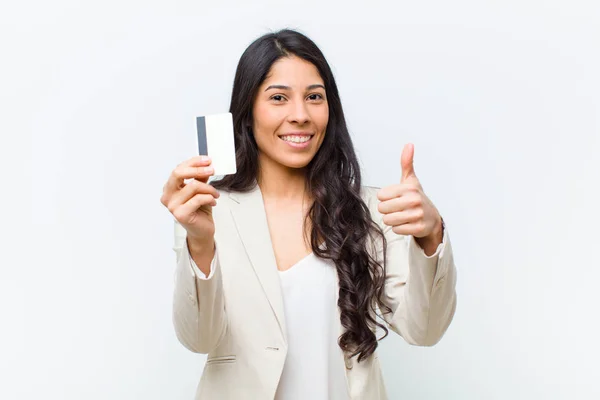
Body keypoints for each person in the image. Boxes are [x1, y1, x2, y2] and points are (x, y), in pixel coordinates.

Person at [160, 28, 457, 400]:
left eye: (314, 97)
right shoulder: (207, 210)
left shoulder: (372, 212)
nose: (300, 115)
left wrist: (431, 237)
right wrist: (200, 242)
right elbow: (198, 338)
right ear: (248, 111)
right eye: (279, 98)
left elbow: (425, 329)